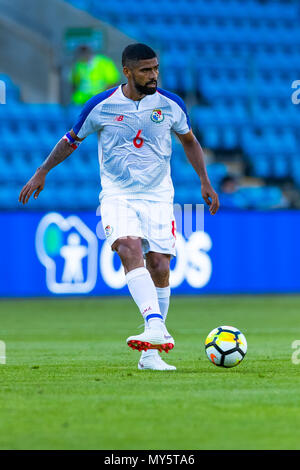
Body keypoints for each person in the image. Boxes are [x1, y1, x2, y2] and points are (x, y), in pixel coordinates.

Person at [19, 43, 220, 371]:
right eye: (145, 70)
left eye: (155, 68)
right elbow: (71, 139)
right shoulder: (101, 106)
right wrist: (42, 171)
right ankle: (154, 324)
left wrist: (204, 181)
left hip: (158, 197)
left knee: (160, 266)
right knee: (128, 247)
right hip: (118, 195)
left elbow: (189, 141)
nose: (153, 75)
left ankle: (150, 355)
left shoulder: (171, 105)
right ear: (127, 72)